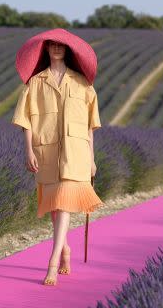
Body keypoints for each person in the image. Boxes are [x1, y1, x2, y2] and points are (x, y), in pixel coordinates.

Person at [12, 29, 102, 286]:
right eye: (52, 45)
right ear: (46, 49)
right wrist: (28, 150)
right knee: (54, 206)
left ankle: (51, 264)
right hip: (46, 151)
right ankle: (64, 250)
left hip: (76, 154)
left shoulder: (83, 84)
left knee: (63, 204)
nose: (56, 48)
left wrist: (92, 159)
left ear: (68, 50)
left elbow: (88, 126)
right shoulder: (35, 83)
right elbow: (25, 120)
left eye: (61, 45)